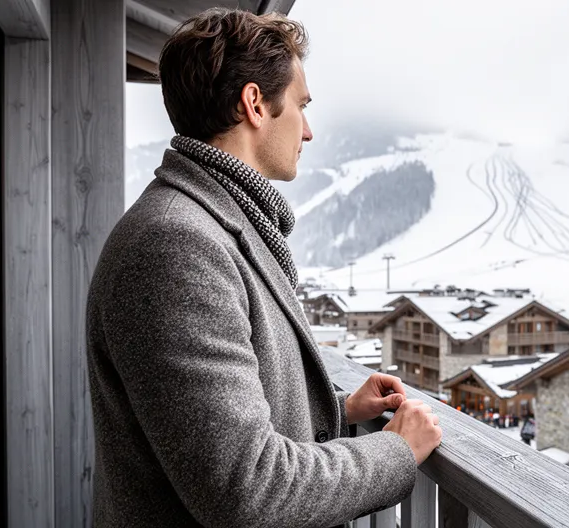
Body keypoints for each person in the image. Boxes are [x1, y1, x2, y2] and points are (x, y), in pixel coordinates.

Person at [85, 8, 441, 527]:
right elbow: (245, 487)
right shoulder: (176, 245)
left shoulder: (207, 224)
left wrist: (334, 411)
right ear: (255, 103)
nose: (309, 131)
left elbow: (209, 426)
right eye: (301, 105)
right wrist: (397, 451)